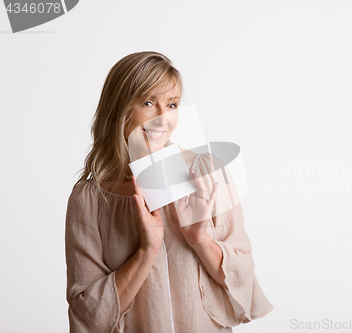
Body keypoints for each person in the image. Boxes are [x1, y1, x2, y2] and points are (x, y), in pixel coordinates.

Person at [65, 51, 273, 332]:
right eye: (148, 102)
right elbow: (87, 309)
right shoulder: (90, 198)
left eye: (172, 104)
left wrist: (200, 240)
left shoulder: (208, 173)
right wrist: (146, 250)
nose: (163, 118)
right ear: (119, 108)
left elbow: (243, 276)